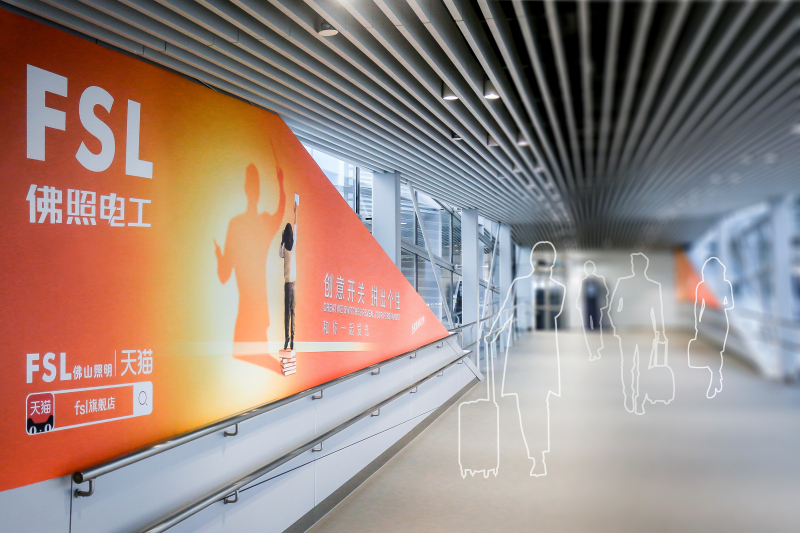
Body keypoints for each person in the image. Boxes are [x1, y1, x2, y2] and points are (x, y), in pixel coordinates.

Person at [214, 161, 285, 344]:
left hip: (245, 322)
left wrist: (219, 255)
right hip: (257, 320)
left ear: (246, 188)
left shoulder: (236, 225)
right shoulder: (262, 223)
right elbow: (280, 212)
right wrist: (281, 185)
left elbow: (223, 275)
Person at [608, 253, 671, 414]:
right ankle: (633, 398)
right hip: (630, 333)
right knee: (632, 366)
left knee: (635, 367)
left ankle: (635, 399)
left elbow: (615, 309)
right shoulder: (651, 284)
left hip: (637, 333)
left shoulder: (625, 282)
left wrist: (659, 333)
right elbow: (656, 313)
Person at [688, 257, 734, 398]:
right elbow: (700, 305)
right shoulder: (703, 285)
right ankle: (715, 379)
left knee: (719, 353)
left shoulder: (724, 285)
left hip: (721, 321)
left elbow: (730, 305)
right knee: (713, 355)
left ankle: (716, 379)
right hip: (710, 319)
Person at [576, 261, 608, 361]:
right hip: (588, 300)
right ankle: (588, 326)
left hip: (595, 300)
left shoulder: (596, 283)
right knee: (588, 314)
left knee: (595, 314)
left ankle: (595, 326)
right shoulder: (586, 283)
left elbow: (600, 291)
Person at [280, 202, 298, 350]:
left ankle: (287, 339)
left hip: (287, 284)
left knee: (287, 312)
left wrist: (281, 241)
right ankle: (292, 338)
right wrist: (295, 212)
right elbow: (296, 227)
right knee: (293, 311)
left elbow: (280, 254)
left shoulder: (284, 249)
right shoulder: (294, 246)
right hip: (293, 284)